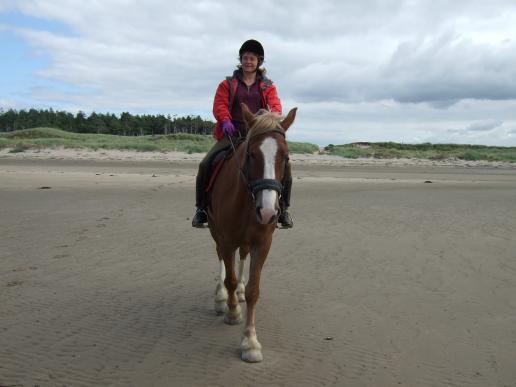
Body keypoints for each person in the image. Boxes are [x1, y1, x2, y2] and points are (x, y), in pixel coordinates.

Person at [192, 39, 293, 229]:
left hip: (258, 135)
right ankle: (202, 209)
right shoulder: (227, 84)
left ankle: (284, 210)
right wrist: (226, 120)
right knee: (205, 164)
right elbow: (219, 105)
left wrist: (270, 118)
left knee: (285, 168)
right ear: (241, 60)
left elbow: (275, 106)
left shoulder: (268, 86)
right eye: (245, 58)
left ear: (259, 61)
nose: (248, 61)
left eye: (252, 58)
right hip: (232, 134)